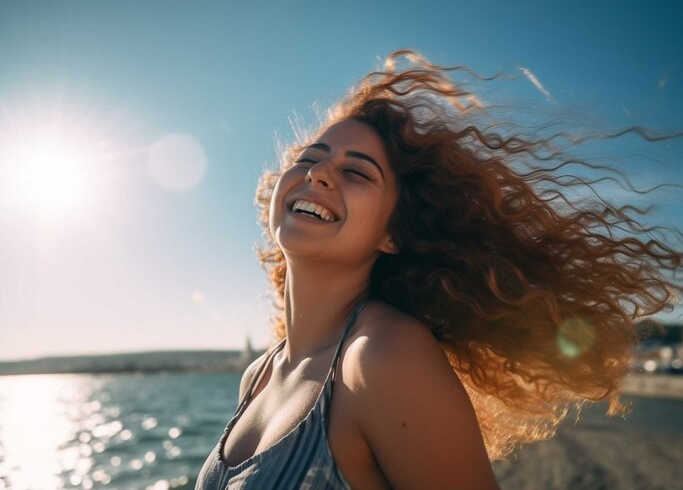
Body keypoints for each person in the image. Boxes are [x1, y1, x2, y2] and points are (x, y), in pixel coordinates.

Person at [195, 51, 682, 489]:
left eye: (357, 171)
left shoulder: (382, 357)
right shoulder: (258, 374)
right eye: (309, 158)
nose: (317, 173)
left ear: (393, 235)